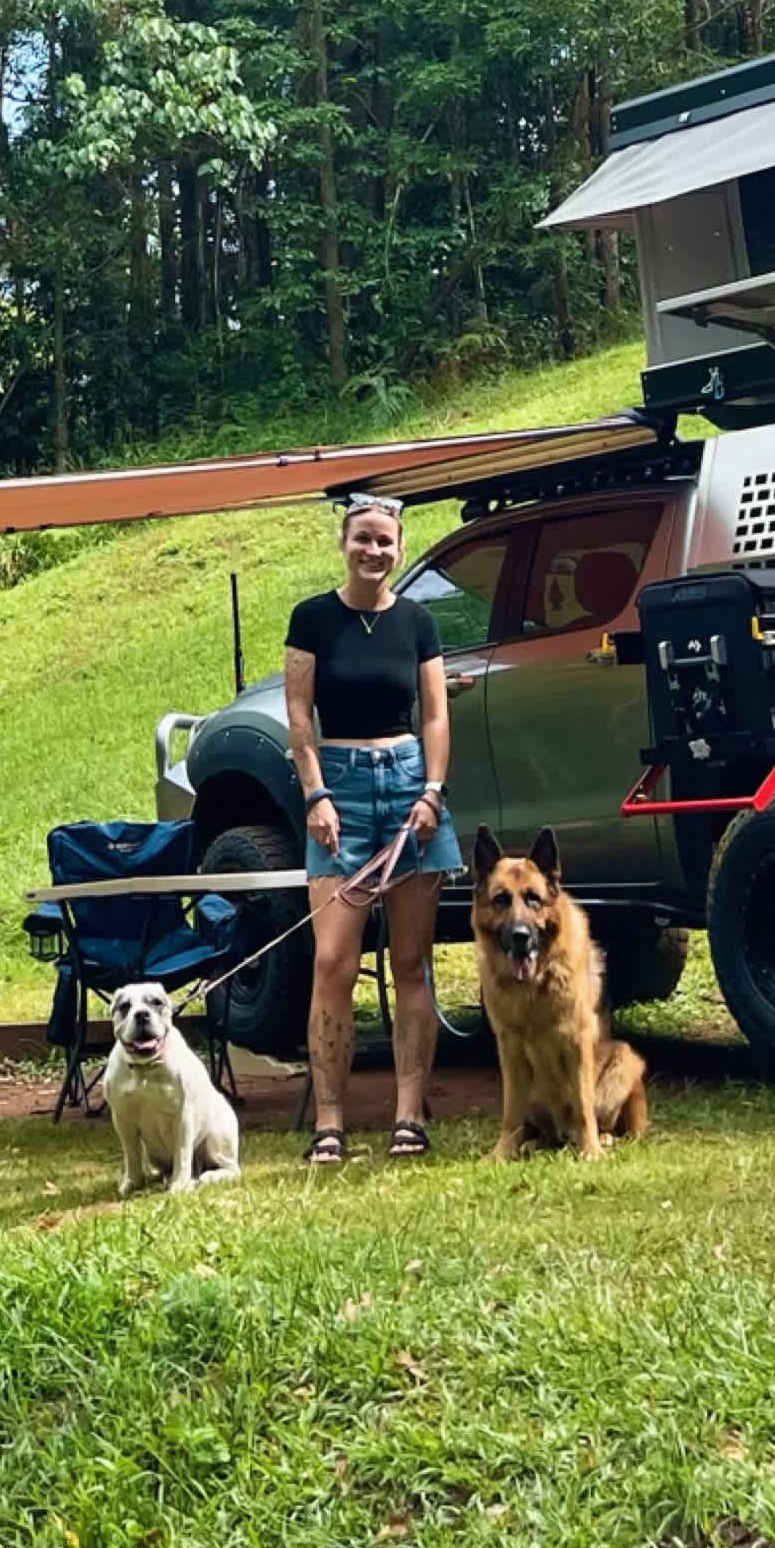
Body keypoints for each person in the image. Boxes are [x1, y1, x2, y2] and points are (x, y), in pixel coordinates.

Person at [282, 490, 458, 1160]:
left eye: (385, 541)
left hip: (409, 787)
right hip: (341, 792)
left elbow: (436, 714)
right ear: (343, 543)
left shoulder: (416, 621)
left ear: (400, 548)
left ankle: (408, 1117)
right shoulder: (313, 619)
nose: (374, 551)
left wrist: (432, 792)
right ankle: (330, 1121)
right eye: (363, 539)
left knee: (411, 963)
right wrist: (315, 796)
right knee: (334, 962)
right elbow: (300, 717)